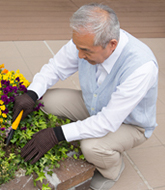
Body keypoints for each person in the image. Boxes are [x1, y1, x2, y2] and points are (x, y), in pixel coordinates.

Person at [12, 3, 159, 190]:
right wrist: (31, 94)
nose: (79, 55)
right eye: (77, 47)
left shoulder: (140, 67)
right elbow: (55, 68)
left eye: (87, 51)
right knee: (44, 101)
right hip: (94, 105)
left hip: (129, 124)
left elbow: (108, 121)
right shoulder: (86, 39)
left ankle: (113, 169)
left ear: (112, 44)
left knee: (91, 146)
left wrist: (55, 135)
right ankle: (83, 130)